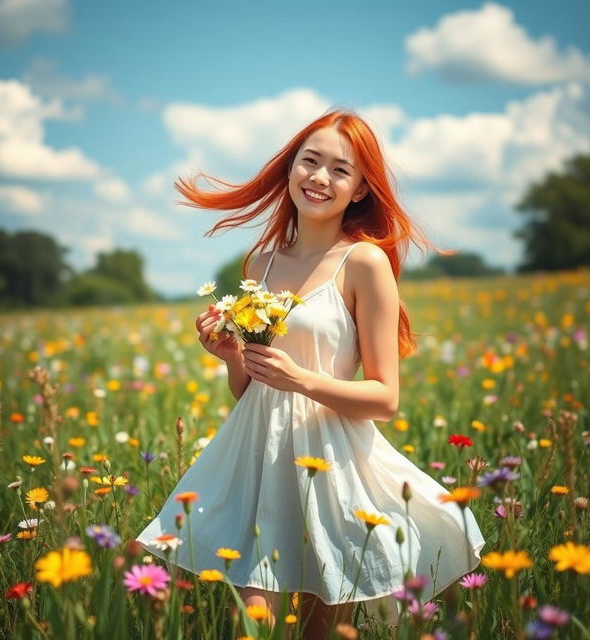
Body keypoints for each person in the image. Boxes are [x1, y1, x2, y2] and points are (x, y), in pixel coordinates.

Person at [136, 110, 485, 638]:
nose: (320, 178)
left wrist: (302, 379)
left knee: (323, 630)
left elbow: (385, 397)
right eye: (310, 161)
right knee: (253, 622)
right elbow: (253, 393)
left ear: (362, 189)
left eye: (340, 170)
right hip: (259, 461)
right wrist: (231, 355)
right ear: (291, 169)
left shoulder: (364, 262)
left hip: (331, 467)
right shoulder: (261, 264)